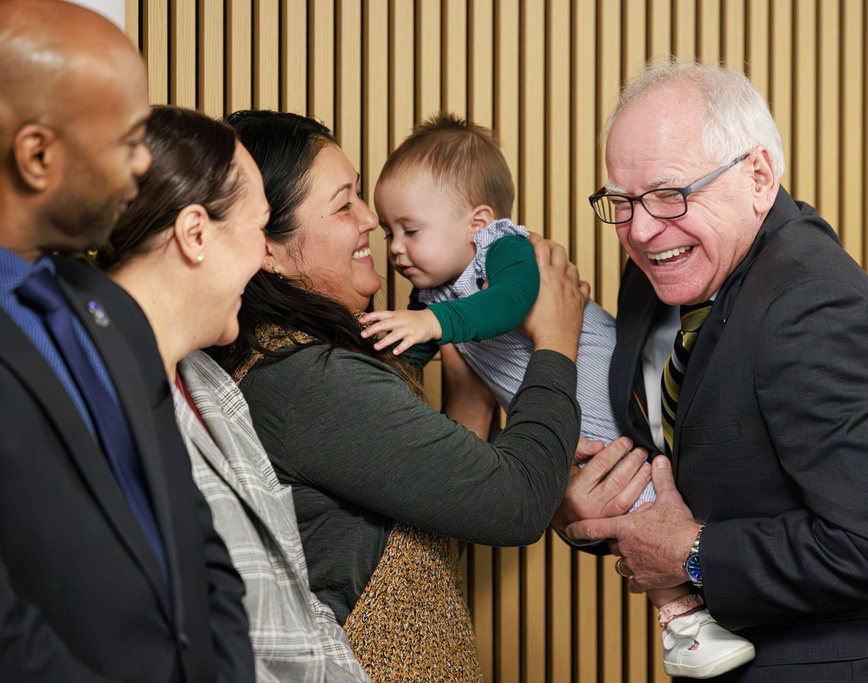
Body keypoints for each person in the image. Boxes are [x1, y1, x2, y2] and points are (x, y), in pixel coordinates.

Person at [556, 58, 868, 682]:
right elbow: (675, 479)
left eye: (671, 195)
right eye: (622, 201)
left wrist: (692, 555)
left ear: (758, 176)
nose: (642, 231)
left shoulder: (814, 304)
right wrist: (585, 513)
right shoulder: (663, 267)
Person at [362, 112, 752, 677]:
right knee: (622, 510)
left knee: (650, 507)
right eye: (387, 233)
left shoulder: (507, 251)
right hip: (575, 426)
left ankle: (695, 619)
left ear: (478, 222)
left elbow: (514, 303)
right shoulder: (436, 298)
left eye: (410, 230)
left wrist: (433, 327)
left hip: (616, 404)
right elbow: (410, 360)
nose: (396, 249)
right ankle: (688, 621)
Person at [212, 109, 586, 682]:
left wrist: (470, 397)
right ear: (270, 248)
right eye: (343, 205)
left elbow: (419, 540)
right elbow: (517, 505)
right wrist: (558, 338)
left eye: (361, 195)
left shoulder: (294, 355)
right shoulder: (312, 378)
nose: (371, 222)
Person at [0, 2, 253, 680]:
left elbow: (194, 534)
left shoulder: (107, 309)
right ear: (37, 155)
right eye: (126, 140)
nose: (144, 165)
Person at [98, 105, 371, 683]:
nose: (263, 257)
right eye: (258, 227)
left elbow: (298, 610)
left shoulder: (211, 383)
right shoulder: (96, 401)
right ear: (196, 234)